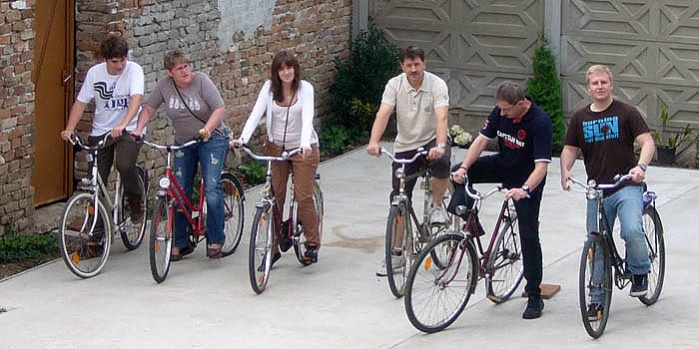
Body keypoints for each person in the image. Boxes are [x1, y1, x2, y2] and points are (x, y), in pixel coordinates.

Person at [449, 81, 553, 319]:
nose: (501, 114)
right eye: (500, 109)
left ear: (521, 104)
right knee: (458, 174)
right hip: (503, 165)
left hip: (527, 180)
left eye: (506, 110)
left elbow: (542, 167)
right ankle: (471, 223)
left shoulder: (540, 122)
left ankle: (534, 295)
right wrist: (464, 168)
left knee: (528, 235)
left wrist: (524, 189)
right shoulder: (500, 111)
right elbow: (481, 141)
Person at [560, 65, 654, 315]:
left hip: (626, 186)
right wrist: (565, 170)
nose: (599, 87)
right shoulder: (580, 118)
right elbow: (570, 149)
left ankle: (640, 272)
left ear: (611, 84)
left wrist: (640, 166)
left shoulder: (627, 113)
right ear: (588, 88)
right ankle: (597, 298)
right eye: (594, 83)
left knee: (632, 230)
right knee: (596, 245)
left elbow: (647, 142)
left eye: (603, 82)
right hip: (597, 190)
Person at [134, 50, 228, 260]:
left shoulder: (202, 81)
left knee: (211, 186)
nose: (185, 71)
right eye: (179, 68)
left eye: (186, 66)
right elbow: (149, 108)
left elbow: (219, 108)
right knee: (179, 188)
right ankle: (180, 241)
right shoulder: (165, 87)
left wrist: (209, 129)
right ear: (170, 73)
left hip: (211, 139)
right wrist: (139, 129)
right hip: (184, 142)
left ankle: (216, 238)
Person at [367, 45, 451, 275]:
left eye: (417, 64)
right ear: (402, 66)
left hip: (432, 139)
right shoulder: (395, 85)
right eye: (409, 65)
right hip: (405, 144)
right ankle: (396, 254)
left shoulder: (437, 85)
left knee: (442, 162)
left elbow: (441, 116)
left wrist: (440, 146)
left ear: (424, 64)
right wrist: (374, 141)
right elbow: (383, 113)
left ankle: (436, 206)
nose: (413, 69)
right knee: (399, 197)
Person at [231, 50, 321, 264]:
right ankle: (273, 249)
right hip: (276, 148)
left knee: (303, 195)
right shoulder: (269, 89)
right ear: (276, 72)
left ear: (295, 69)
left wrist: (304, 142)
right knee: (275, 197)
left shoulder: (305, 89)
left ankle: (312, 243)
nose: (286, 72)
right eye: (281, 69)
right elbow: (256, 113)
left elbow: (308, 115)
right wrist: (243, 138)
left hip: (302, 149)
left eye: (289, 68)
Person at [60, 35, 145, 224]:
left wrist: (123, 124)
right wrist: (69, 129)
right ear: (105, 60)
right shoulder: (94, 74)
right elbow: (81, 103)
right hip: (101, 131)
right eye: (115, 61)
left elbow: (136, 99)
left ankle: (135, 199)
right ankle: (97, 236)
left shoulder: (134, 70)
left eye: (123, 60)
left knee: (124, 164)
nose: (120, 65)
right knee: (95, 182)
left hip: (128, 129)